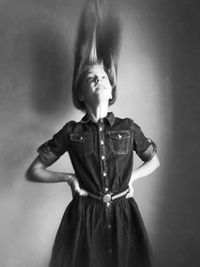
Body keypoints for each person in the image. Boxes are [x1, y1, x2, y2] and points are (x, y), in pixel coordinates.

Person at [26, 1, 160, 267]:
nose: (99, 80)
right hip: (84, 219)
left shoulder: (128, 127)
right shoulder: (71, 131)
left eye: (103, 78)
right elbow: (35, 170)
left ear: (111, 91)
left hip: (123, 215)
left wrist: (131, 178)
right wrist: (69, 178)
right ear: (80, 93)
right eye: (91, 78)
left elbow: (154, 161)